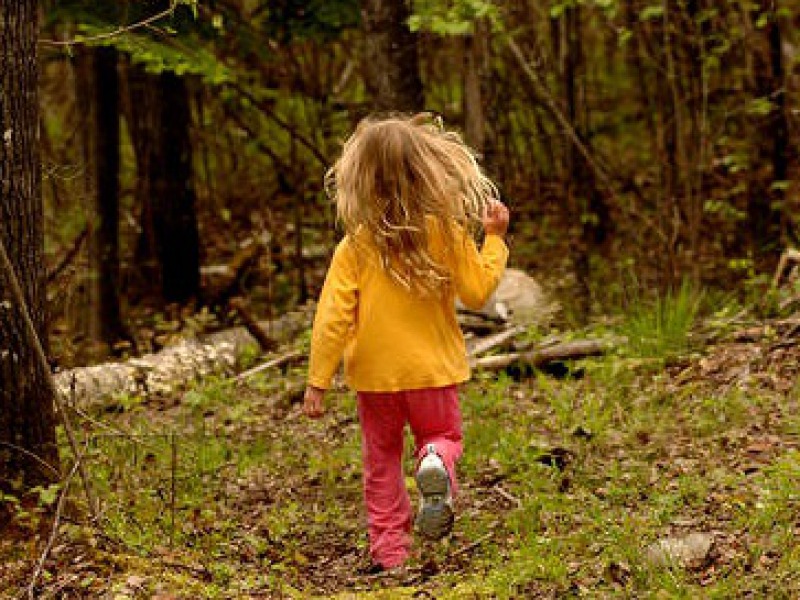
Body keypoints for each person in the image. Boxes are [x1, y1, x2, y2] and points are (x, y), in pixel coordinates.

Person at [303, 113, 510, 572]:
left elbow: (332, 317)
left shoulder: (354, 248)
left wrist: (318, 381)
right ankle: (434, 458)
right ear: (427, 170)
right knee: (443, 435)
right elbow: (478, 294)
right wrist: (494, 240)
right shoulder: (446, 234)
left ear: (359, 178)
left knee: (381, 460)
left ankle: (391, 552)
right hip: (432, 371)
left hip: (375, 378)